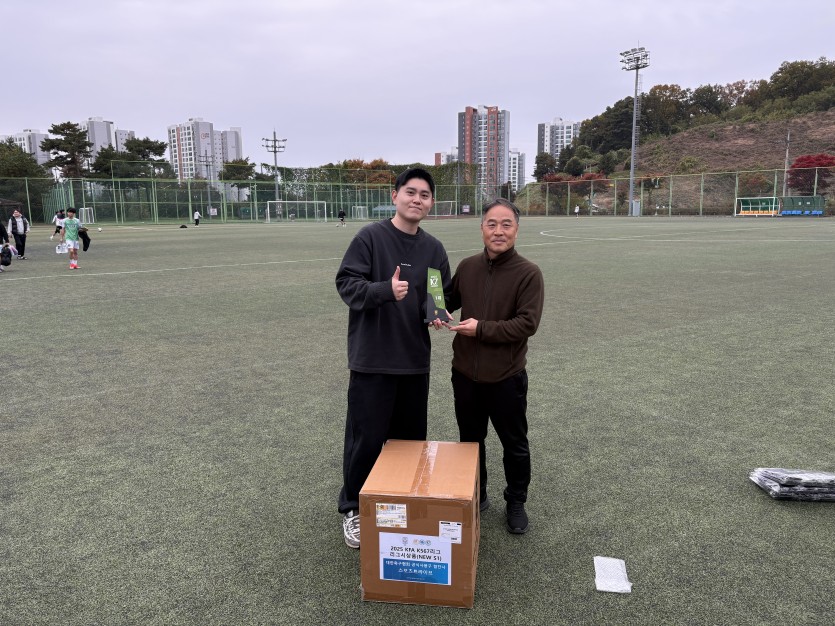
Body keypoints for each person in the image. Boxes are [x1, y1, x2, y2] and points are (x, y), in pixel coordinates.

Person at [335, 167, 451, 549]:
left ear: (431, 203)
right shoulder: (370, 237)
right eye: (411, 192)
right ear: (395, 196)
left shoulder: (433, 249)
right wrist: (385, 290)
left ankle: (399, 503)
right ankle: (354, 508)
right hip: (372, 360)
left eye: (425, 195)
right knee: (366, 441)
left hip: (414, 361)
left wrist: (437, 314)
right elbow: (347, 284)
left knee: (409, 442)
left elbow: (436, 295)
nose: (417, 199)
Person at [446, 198, 544, 535]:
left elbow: (527, 324)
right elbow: (447, 301)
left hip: (506, 378)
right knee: (470, 443)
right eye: (492, 224)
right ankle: (478, 493)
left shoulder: (528, 273)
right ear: (482, 229)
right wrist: (434, 311)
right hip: (465, 376)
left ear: (516, 230)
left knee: (514, 444)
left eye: (506, 224)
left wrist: (481, 329)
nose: (498, 231)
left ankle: (516, 501)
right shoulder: (468, 266)